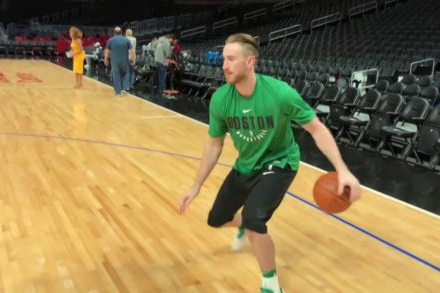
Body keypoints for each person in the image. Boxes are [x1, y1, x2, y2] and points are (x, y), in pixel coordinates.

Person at [178, 33, 360, 293]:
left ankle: (271, 285)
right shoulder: (221, 99)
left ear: (250, 61)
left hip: (280, 162)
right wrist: (196, 186)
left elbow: (317, 129)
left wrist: (343, 171)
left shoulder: (279, 93)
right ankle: (243, 223)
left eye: (231, 59)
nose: (224, 65)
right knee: (216, 219)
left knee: (254, 221)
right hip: (246, 165)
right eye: (223, 59)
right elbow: (214, 144)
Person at [104, 27, 135, 96]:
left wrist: (105, 59)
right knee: (125, 74)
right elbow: (131, 51)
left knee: (117, 75)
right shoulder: (126, 40)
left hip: (115, 62)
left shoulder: (111, 40)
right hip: (124, 61)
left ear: (114, 33)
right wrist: (132, 60)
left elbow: (107, 50)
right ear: (121, 32)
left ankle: (118, 92)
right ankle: (124, 88)